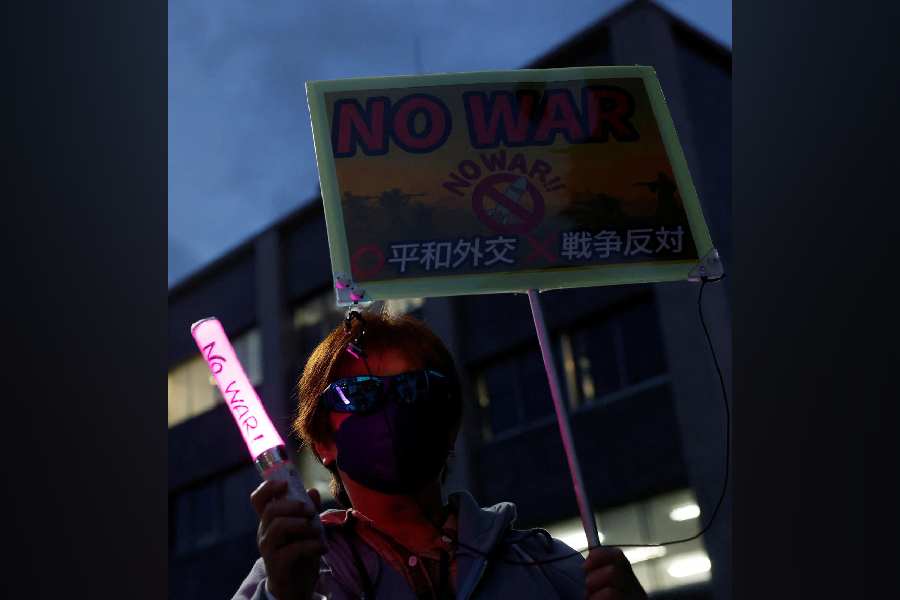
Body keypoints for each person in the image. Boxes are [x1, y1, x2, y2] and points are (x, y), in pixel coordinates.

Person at [233, 309, 647, 600]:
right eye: (359, 395)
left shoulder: (548, 564)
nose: (392, 411)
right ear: (323, 442)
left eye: (415, 390)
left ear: (448, 425)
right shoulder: (286, 573)